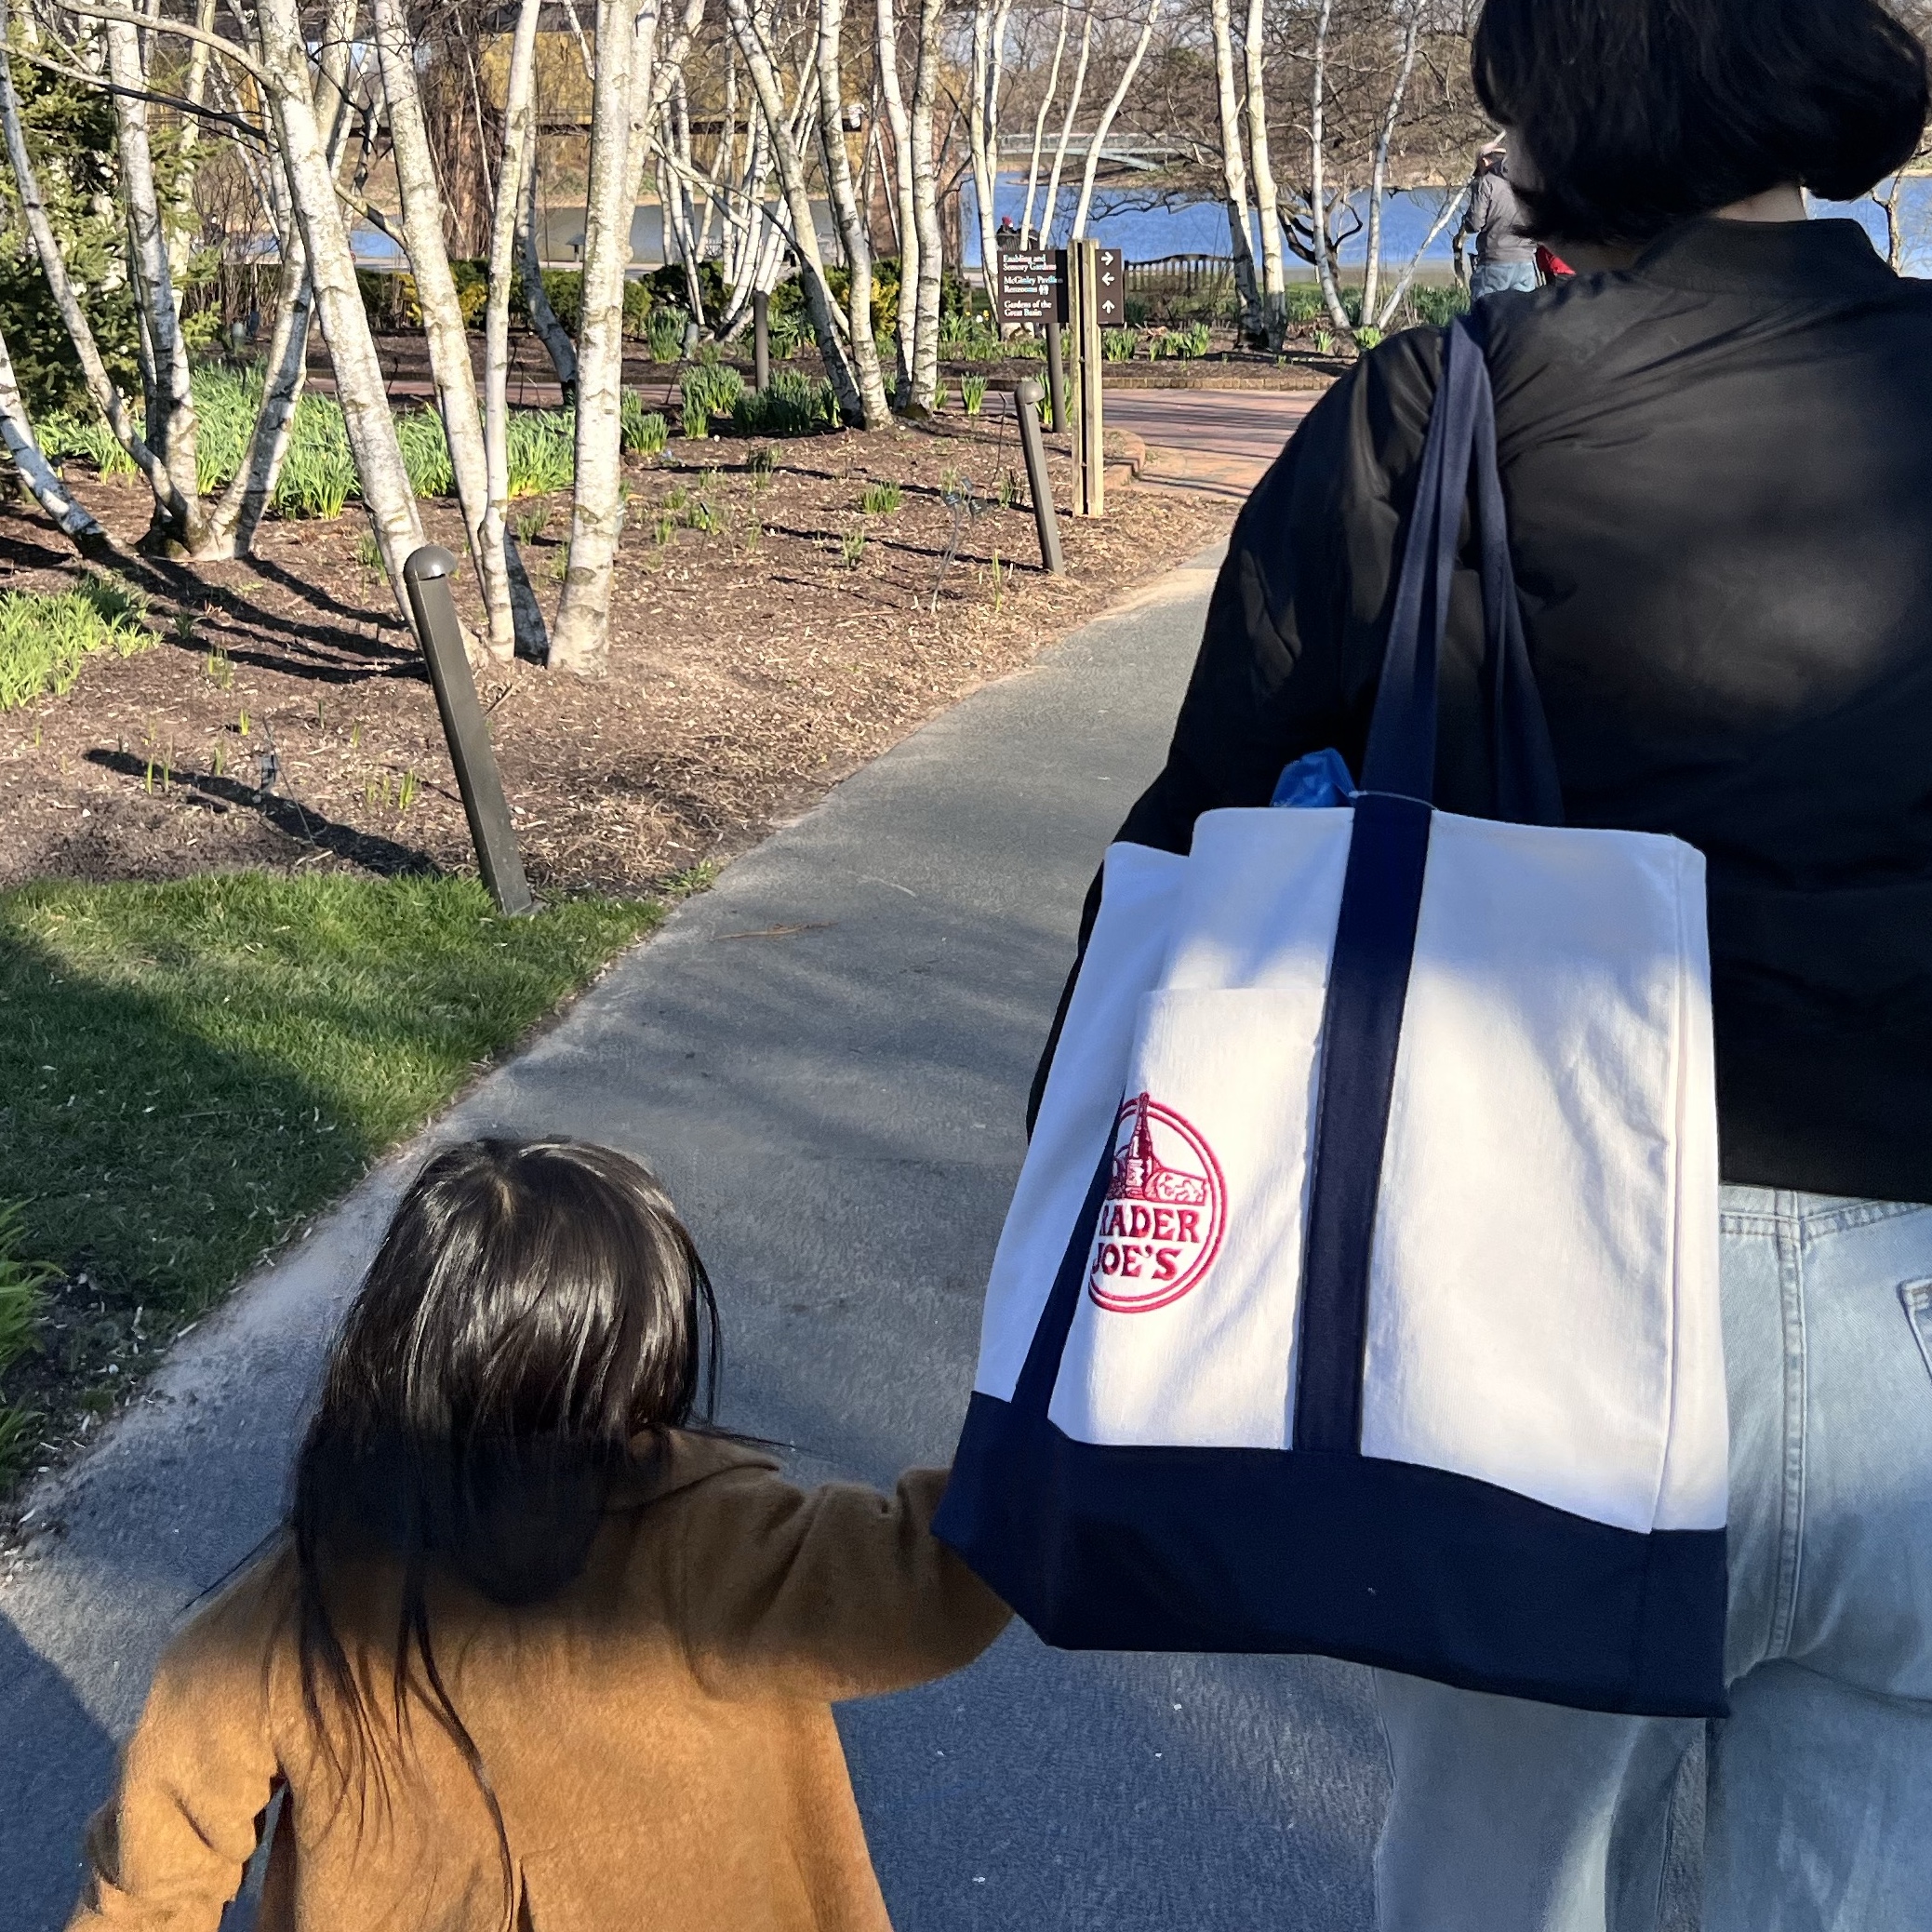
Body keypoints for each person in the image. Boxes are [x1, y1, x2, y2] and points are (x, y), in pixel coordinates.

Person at [1032, 0, 1932, 1925]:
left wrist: (1080, 1180)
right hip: (1919, 1326)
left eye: (1510, 112)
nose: (1503, 158)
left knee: (1493, 1887)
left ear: (1588, 115)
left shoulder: (1438, 413)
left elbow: (1201, 842)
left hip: (1553, 1310)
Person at [66, 1139, 1009, 1931]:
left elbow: (152, 1887)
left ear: (393, 1345)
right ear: (638, 1347)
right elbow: (929, 1578)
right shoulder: (700, 1533)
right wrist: (1072, 1418)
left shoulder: (287, 1608)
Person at [1455, 141, 1539, 300]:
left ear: (1484, 162)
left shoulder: (1487, 182)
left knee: (1485, 315)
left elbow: (1474, 224)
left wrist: (1465, 220)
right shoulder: (1528, 181)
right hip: (1526, 262)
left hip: (1494, 261)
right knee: (1523, 317)